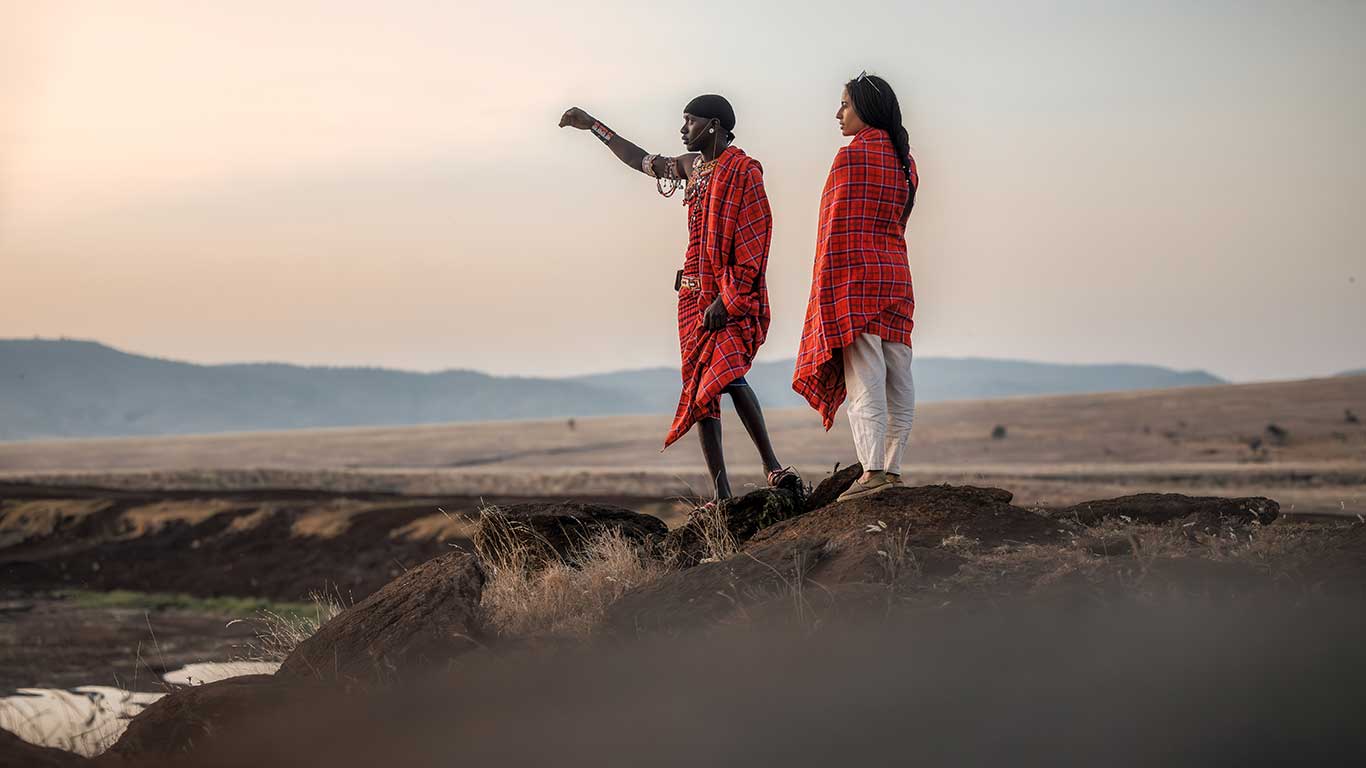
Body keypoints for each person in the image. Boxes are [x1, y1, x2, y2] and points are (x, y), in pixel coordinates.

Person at [559, 95, 798, 503]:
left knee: (730, 373)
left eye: (690, 121)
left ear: (714, 125)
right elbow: (639, 160)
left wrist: (728, 299)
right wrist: (593, 125)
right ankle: (721, 493)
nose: (683, 129)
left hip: (726, 295)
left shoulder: (743, 172)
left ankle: (772, 466)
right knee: (701, 388)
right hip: (691, 296)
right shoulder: (691, 168)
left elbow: (755, 240)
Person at [792, 72, 920, 501]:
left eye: (845, 104)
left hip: (855, 282)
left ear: (866, 107)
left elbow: (833, 234)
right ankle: (893, 468)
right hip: (896, 278)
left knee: (866, 378)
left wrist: (824, 293)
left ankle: (872, 472)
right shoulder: (905, 162)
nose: (838, 113)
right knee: (898, 375)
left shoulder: (851, 158)